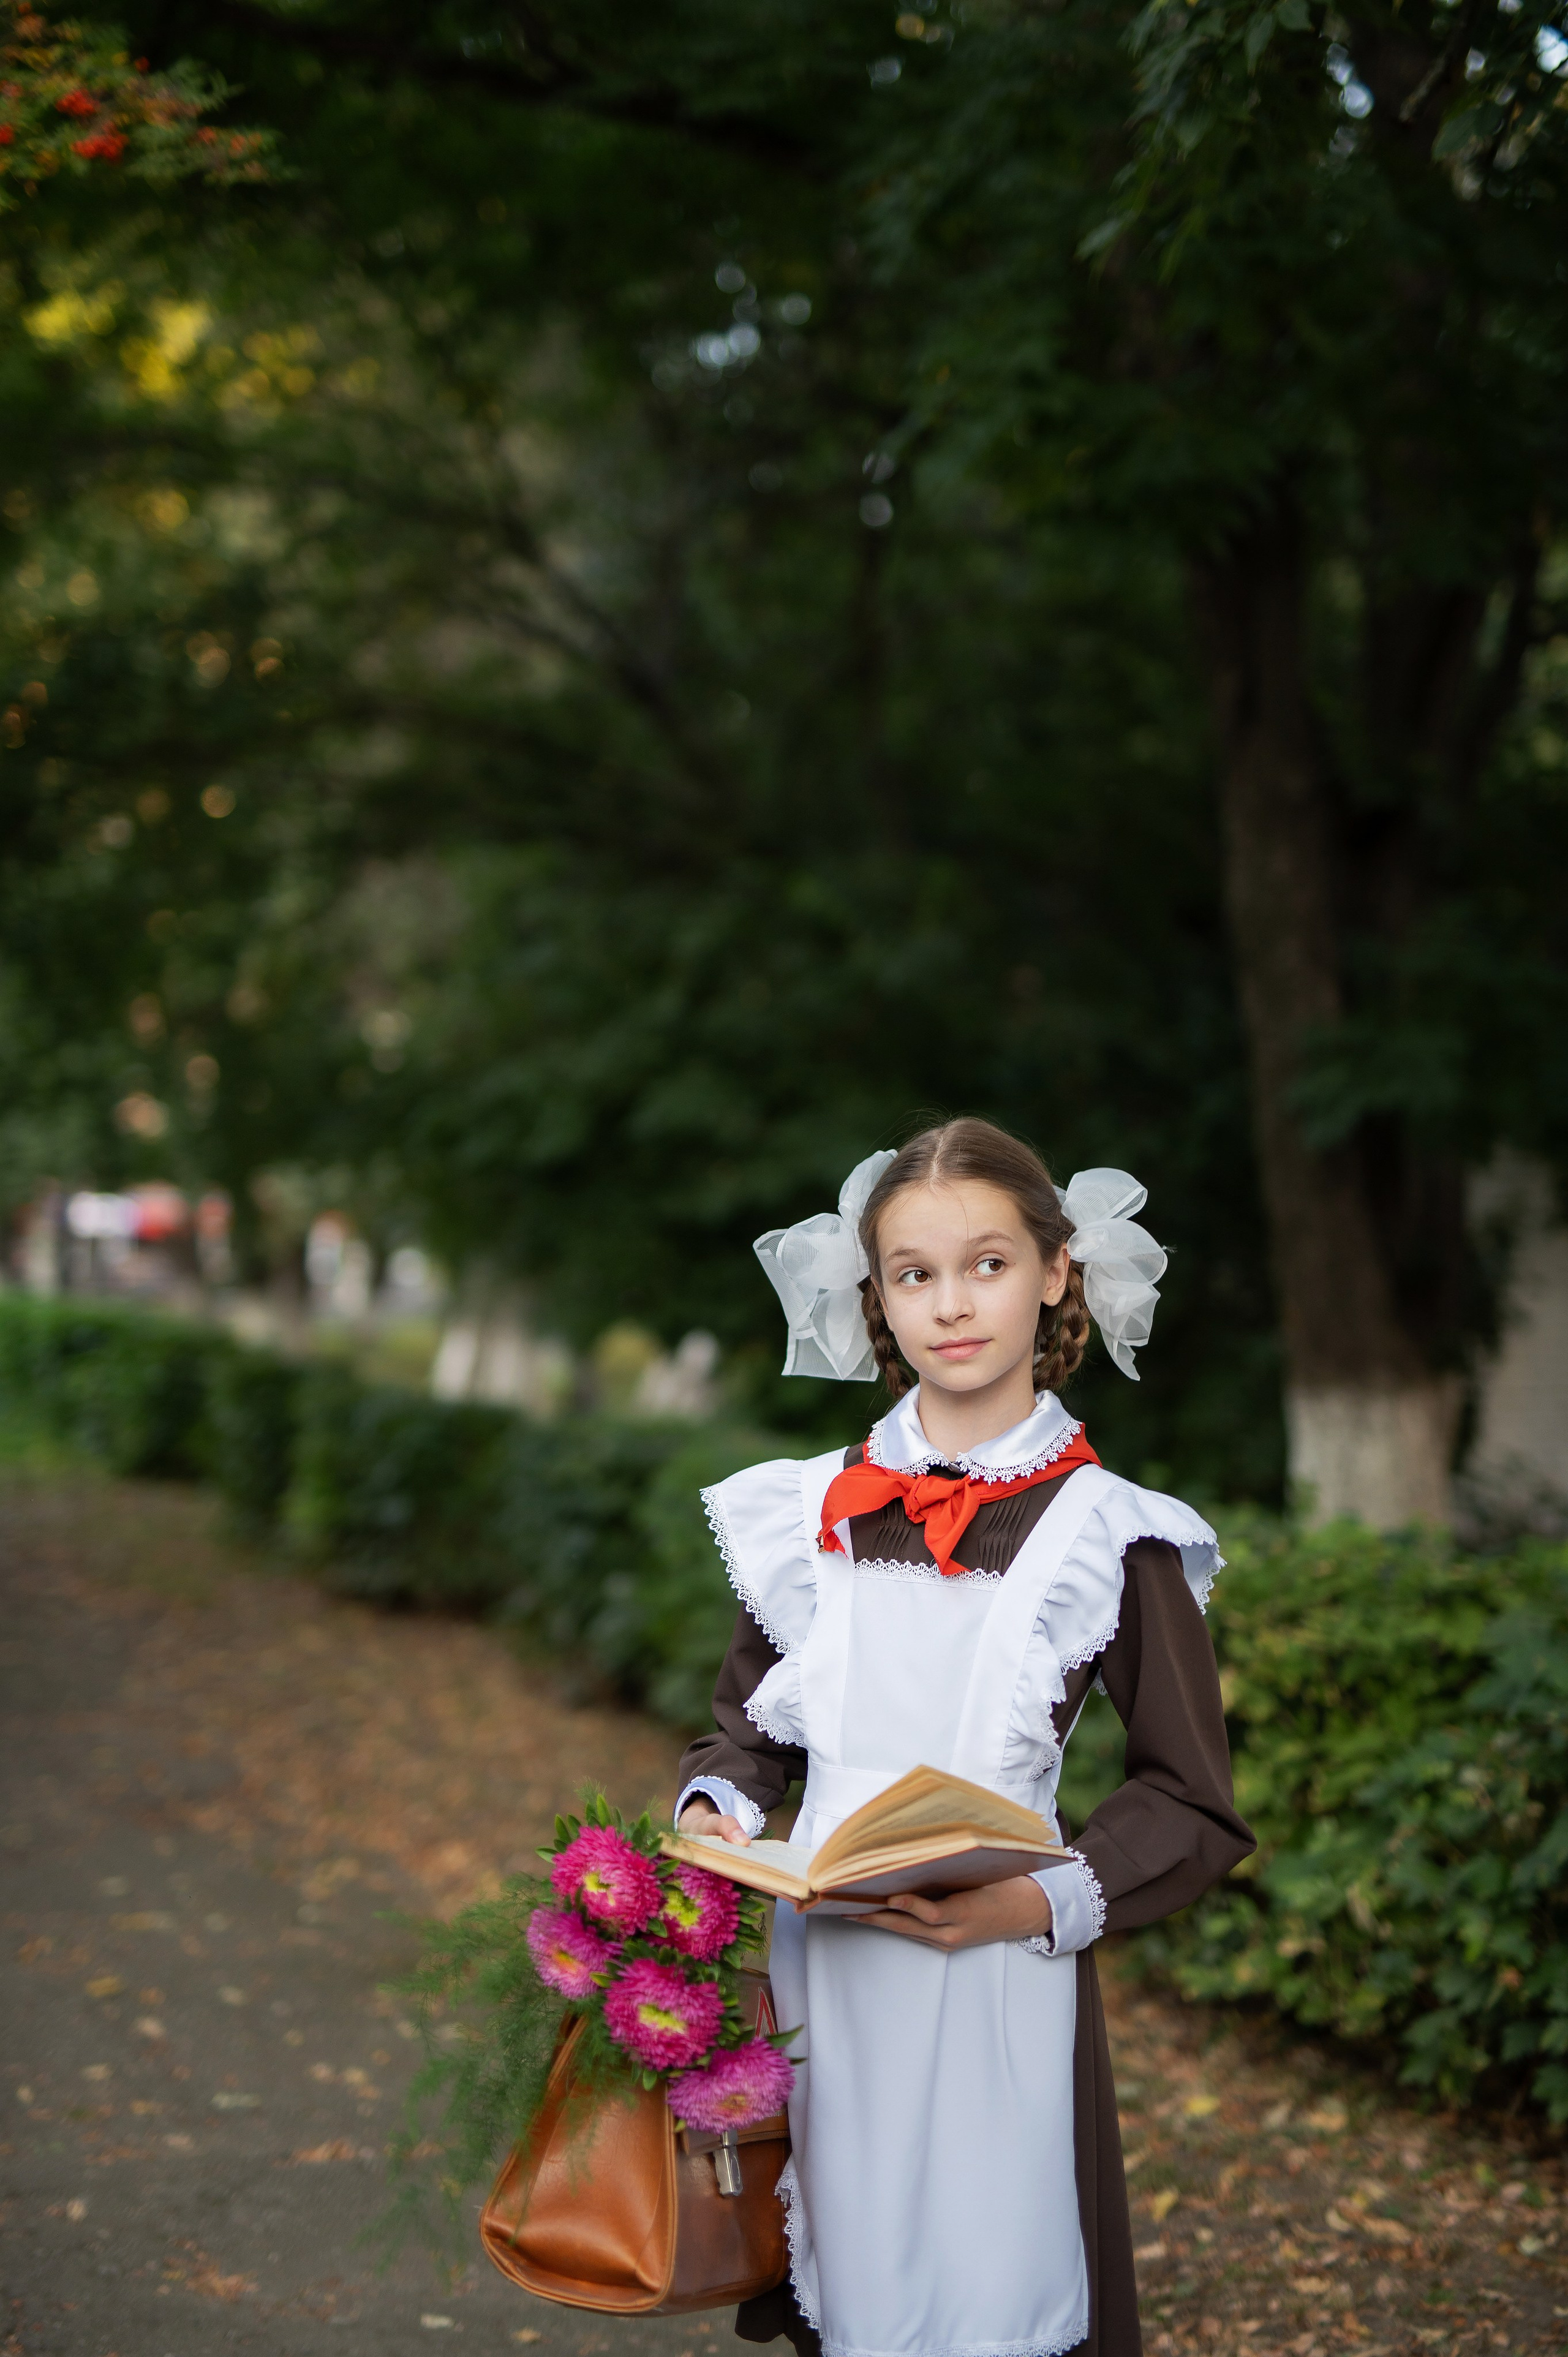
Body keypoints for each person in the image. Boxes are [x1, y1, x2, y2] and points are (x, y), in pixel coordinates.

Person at [674, 1119, 1254, 2357]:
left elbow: (1189, 1797)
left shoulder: (1112, 1530)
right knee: (845, 2283)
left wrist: (1031, 1904)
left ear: (1055, 1272)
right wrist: (714, 1819)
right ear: (874, 1295)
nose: (950, 1304)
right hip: (820, 1969)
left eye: (985, 1264)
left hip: (997, 1971)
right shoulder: (805, 1510)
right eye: (913, 1272)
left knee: (992, 2296)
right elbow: (742, 1734)